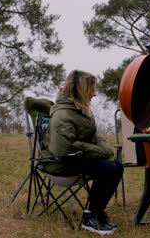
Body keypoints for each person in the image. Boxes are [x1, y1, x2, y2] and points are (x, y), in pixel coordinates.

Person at [41, 70, 123, 235]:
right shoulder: (63, 114)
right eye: (91, 89)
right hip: (61, 164)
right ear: (81, 91)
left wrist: (105, 149)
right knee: (110, 168)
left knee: (116, 166)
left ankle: (94, 213)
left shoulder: (81, 109)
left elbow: (93, 136)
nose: (94, 93)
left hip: (77, 159)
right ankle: (91, 217)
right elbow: (62, 149)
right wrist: (100, 152)